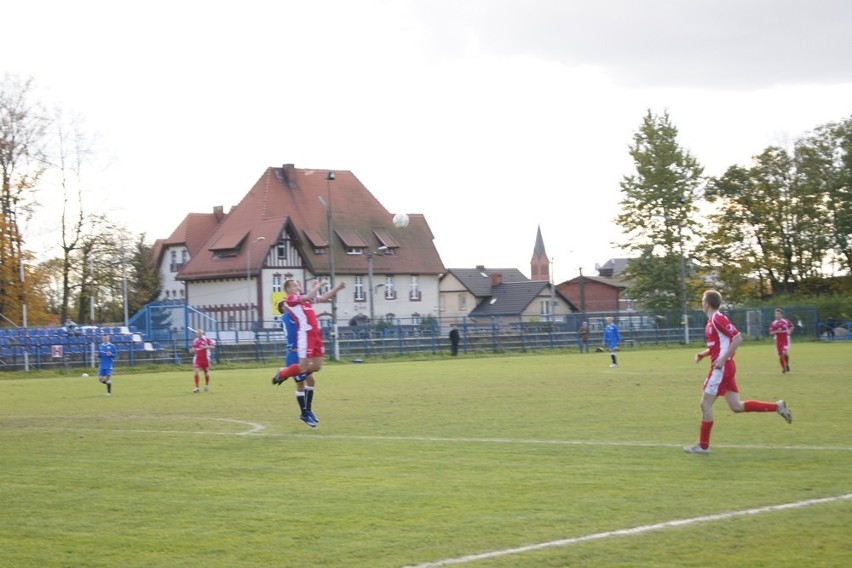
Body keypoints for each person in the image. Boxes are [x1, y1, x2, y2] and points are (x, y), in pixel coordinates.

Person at [684, 289, 793, 455]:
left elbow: (737, 338)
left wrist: (722, 360)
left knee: (705, 404)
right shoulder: (713, 321)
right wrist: (704, 354)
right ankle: (777, 407)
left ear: (706, 304)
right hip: (726, 366)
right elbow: (720, 345)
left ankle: (703, 446)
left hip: (722, 368)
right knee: (736, 406)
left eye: (702, 301)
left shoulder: (718, 318)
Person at [271, 278, 346, 386]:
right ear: (288, 289)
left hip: (316, 334)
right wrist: (319, 285)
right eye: (294, 285)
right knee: (302, 367)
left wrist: (338, 288)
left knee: (317, 367)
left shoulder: (304, 300)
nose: (297, 287)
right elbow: (309, 296)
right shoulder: (291, 299)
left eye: (297, 285)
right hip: (306, 335)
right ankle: (282, 373)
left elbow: (323, 298)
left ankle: (288, 371)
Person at [276, 307, 319, 427]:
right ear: (283, 309)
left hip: (302, 354)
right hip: (294, 354)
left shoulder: (294, 316)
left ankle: (308, 410)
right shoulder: (286, 317)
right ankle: (304, 414)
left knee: (311, 380)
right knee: (301, 384)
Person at [768, 308, 794, 374]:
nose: (777, 315)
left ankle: (787, 364)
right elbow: (771, 333)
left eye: (779, 314)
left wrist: (790, 331)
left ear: (782, 315)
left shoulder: (786, 321)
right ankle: (784, 368)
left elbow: (792, 326)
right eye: (776, 314)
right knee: (780, 355)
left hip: (786, 339)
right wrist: (777, 331)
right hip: (778, 340)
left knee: (784, 353)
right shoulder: (774, 323)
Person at [191, 329, 215, 393]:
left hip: (205, 359)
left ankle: (207, 385)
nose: (199, 334)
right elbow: (193, 348)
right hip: (198, 359)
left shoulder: (207, 339)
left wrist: (205, 347)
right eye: (198, 333)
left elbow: (213, 347)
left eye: (200, 333)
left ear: (202, 333)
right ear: (196, 334)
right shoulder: (195, 340)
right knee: (196, 372)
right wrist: (192, 350)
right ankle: (197, 387)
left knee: (206, 373)